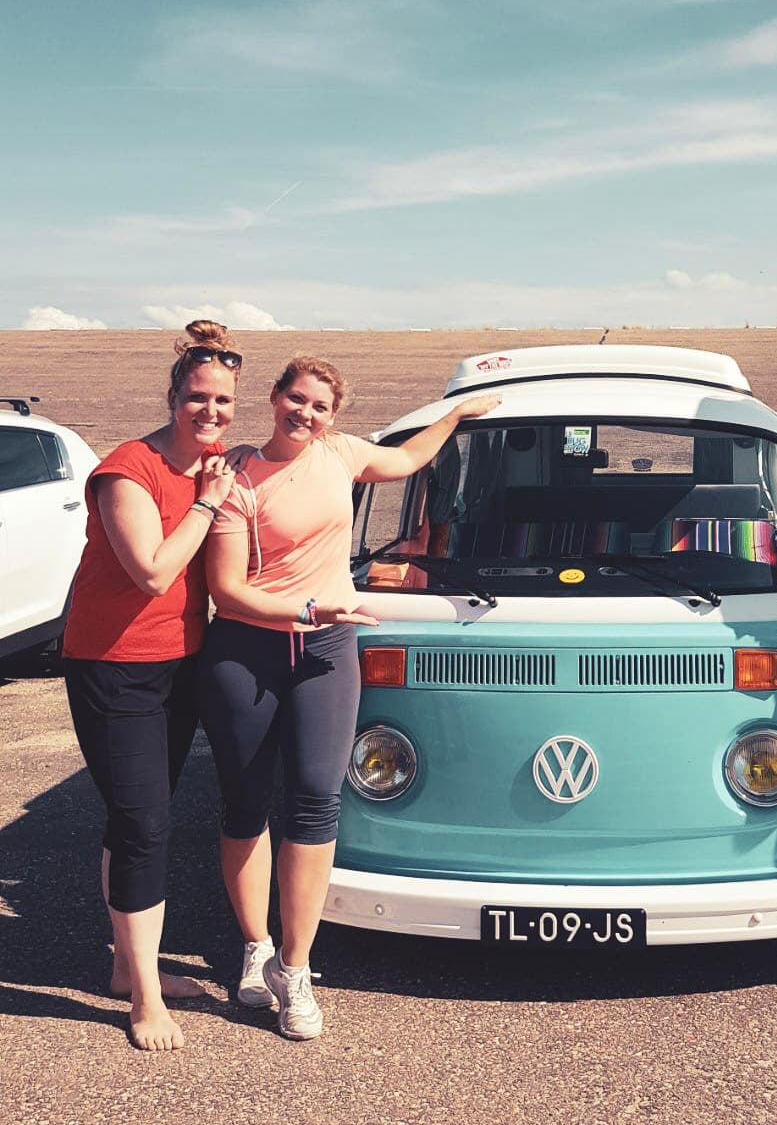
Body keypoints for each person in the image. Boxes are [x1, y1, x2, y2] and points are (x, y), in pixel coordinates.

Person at [198, 357, 499, 1041]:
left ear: (334, 416)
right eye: (296, 399)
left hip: (328, 651)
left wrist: (454, 416)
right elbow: (227, 591)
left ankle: (295, 969)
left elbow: (410, 457)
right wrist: (306, 604)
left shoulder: (341, 455)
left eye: (319, 406)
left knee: (314, 799)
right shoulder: (238, 475)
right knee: (245, 804)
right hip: (247, 652)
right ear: (274, 398)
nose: (305, 414)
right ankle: (255, 948)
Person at [63, 320, 241, 1051]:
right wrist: (207, 501)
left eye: (224, 401)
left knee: (139, 818)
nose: (211, 412)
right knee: (146, 827)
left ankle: (121, 966)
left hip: (178, 664)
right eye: (199, 398)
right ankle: (143, 998)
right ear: (173, 396)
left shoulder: (213, 463)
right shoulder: (126, 469)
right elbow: (153, 571)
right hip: (114, 666)